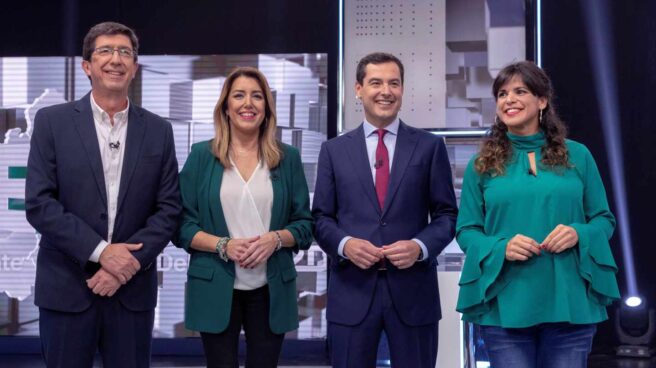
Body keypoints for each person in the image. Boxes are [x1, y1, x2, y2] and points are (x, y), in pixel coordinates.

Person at [25, 22, 181, 368]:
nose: (116, 59)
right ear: (87, 66)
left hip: (132, 291)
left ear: (135, 68)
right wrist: (102, 252)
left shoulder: (158, 131)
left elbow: (169, 209)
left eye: (125, 52)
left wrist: (126, 266)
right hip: (66, 289)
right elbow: (39, 204)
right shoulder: (52, 122)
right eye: (106, 51)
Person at [456, 61, 620, 367]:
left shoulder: (579, 155)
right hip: (506, 304)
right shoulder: (481, 164)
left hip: (569, 302)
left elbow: (603, 220)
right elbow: (466, 230)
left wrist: (577, 233)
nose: (509, 100)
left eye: (520, 91)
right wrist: (500, 246)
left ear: (542, 101)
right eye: (502, 94)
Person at [312, 52, 458, 368]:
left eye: (394, 83)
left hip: (413, 292)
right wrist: (344, 245)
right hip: (352, 291)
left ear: (402, 90)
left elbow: (447, 215)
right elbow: (321, 218)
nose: (386, 91)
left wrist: (419, 247)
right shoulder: (334, 151)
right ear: (358, 89)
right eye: (376, 82)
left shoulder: (430, 146)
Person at [175, 66, 313, 368]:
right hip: (214, 285)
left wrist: (275, 239)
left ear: (267, 107)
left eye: (257, 96)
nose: (248, 103)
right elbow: (182, 225)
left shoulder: (287, 157)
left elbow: (304, 225)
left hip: (270, 287)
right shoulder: (201, 155)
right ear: (226, 107)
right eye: (238, 95)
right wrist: (223, 245)